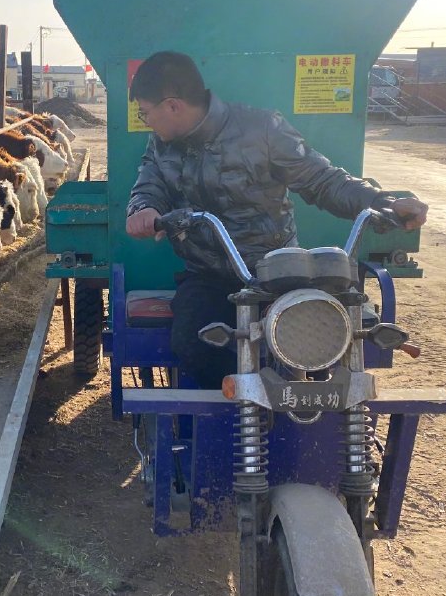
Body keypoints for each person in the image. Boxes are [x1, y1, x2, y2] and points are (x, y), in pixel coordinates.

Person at [125, 51, 428, 389]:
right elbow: (147, 187)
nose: (145, 120)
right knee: (193, 343)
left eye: (145, 111)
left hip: (277, 272)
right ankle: (237, 423)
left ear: (172, 105)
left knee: (318, 339)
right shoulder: (161, 145)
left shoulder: (262, 129)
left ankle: (304, 420)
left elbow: (322, 180)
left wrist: (379, 201)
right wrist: (143, 210)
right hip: (209, 276)